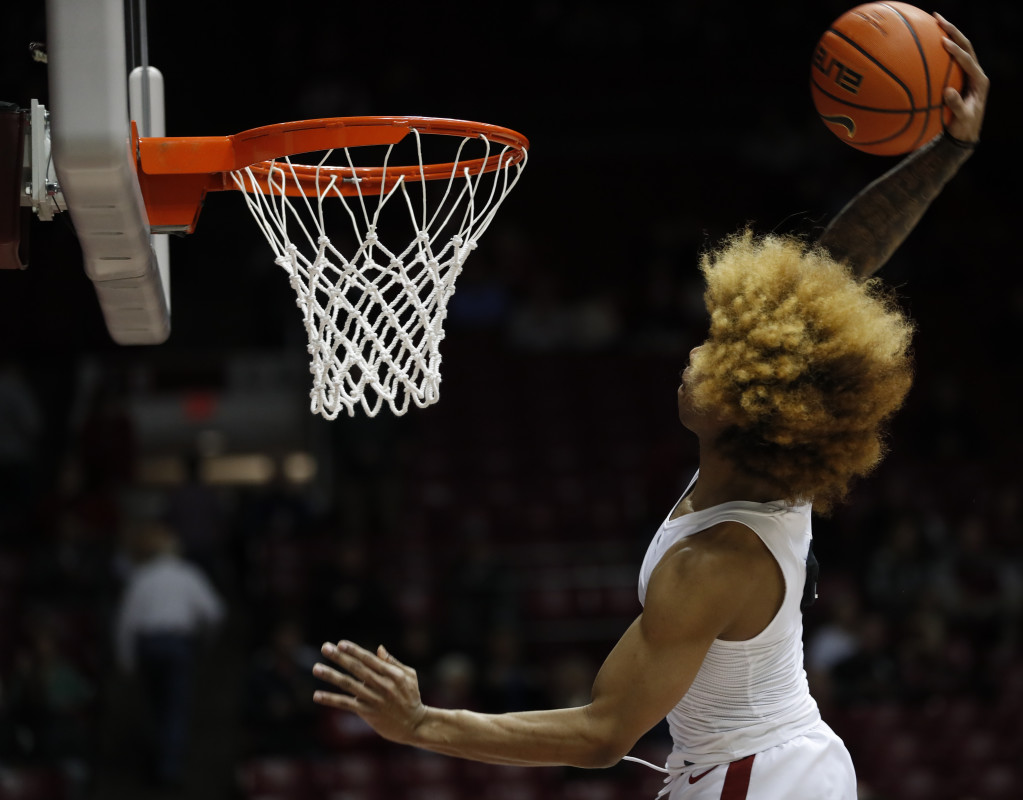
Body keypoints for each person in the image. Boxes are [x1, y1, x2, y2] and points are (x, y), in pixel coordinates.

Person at [311, 15, 988, 799]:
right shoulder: (775, 465)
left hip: (755, 777)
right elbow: (836, 267)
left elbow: (603, 735)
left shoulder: (712, 565)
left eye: (714, 360)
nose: (692, 355)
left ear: (744, 406)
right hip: (775, 762)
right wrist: (947, 153)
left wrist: (425, 724)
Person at [113, 519, 226, 787]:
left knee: (157, 705)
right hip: (177, 644)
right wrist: (205, 641)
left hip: (150, 645)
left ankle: (160, 764)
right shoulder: (188, 574)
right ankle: (168, 769)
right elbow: (215, 613)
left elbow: (125, 622)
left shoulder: (142, 576)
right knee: (174, 707)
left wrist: (125, 659)